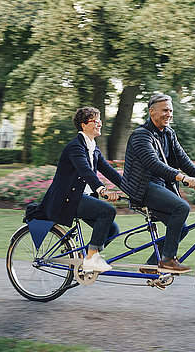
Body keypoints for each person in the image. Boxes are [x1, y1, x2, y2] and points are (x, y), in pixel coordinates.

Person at [121, 94, 195, 273]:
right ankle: (167, 260)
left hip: (159, 186)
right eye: (165, 110)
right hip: (142, 187)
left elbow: (182, 159)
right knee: (181, 208)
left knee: (181, 228)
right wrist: (182, 178)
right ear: (152, 112)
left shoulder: (169, 133)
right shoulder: (141, 135)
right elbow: (152, 163)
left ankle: (150, 265)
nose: (169, 114)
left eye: (170, 111)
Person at [39, 107, 122, 273]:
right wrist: (102, 190)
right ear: (84, 125)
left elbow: (110, 172)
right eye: (95, 121)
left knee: (113, 229)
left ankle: (85, 259)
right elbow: (85, 171)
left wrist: (134, 190)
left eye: (100, 120)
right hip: (68, 199)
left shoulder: (93, 148)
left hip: (80, 198)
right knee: (107, 211)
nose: (99, 124)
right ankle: (91, 259)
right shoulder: (75, 147)